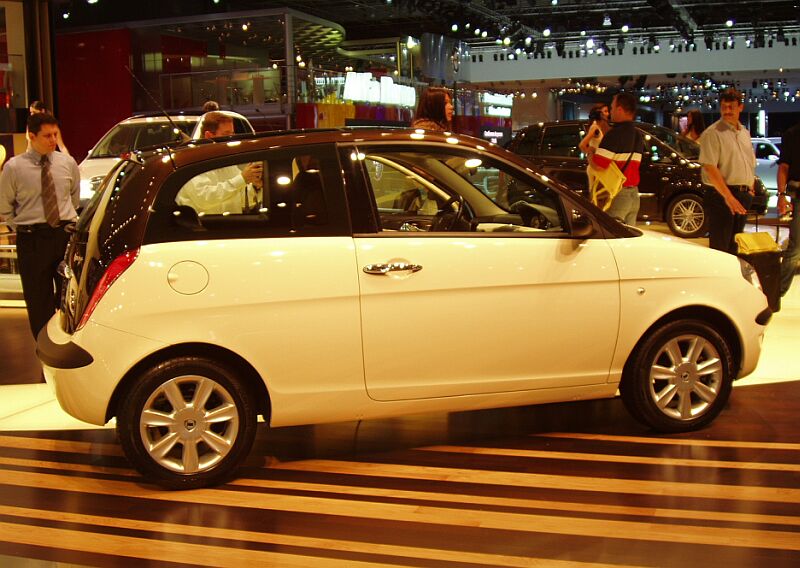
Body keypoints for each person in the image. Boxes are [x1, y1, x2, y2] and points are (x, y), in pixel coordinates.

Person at [0, 112, 80, 338]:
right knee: (38, 299)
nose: (53, 140)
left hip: (64, 235)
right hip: (33, 239)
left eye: (55, 134)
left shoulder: (67, 163)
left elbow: (73, 198)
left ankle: (70, 342)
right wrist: (22, 227)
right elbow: (5, 206)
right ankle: (45, 346)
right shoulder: (14, 168)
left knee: (69, 295)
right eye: (47, 136)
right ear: (31, 136)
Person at [698, 89, 754, 254]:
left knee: (736, 244)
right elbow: (710, 167)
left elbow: (749, 161)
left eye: (731, 107)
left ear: (740, 107)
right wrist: (728, 196)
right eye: (724, 107)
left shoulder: (744, 132)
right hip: (721, 197)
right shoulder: (712, 133)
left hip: (742, 195)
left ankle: (733, 279)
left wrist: (750, 187)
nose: (727, 111)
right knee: (721, 248)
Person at [175, 111, 263, 214]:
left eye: (232, 134)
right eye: (226, 134)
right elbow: (204, 199)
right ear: (209, 136)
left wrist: (255, 186)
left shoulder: (227, 162)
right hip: (203, 227)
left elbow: (240, 200)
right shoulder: (193, 162)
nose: (231, 139)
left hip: (231, 225)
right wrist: (242, 179)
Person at [590, 92, 644, 225]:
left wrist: (590, 154)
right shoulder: (638, 134)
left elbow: (599, 165)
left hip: (618, 194)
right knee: (629, 240)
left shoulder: (614, 134)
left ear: (620, 109)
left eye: (612, 108)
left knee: (611, 238)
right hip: (634, 194)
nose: (610, 112)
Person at [777, 121, 800, 296]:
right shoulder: (792, 134)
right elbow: (783, 166)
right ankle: (778, 290)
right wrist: (781, 195)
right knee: (796, 246)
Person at [579, 102, 611, 188]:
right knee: (596, 195)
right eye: (605, 111)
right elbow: (582, 145)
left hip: (600, 164)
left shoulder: (601, 127)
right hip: (595, 166)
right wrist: (590, 152)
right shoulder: (595, 127)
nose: (608, 114)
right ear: (599, 114)